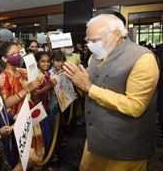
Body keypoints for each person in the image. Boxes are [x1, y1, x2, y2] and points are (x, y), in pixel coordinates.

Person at [63, 14, 159, 171]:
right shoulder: (95, 57)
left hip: (125, 147)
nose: (89, 44)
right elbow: (88, 87)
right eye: (87, 40)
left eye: (94, 40)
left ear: (115, 35)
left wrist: (88, 87)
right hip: (94, 141)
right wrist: (74, 82)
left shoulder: (143, 59)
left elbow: (135, 106)